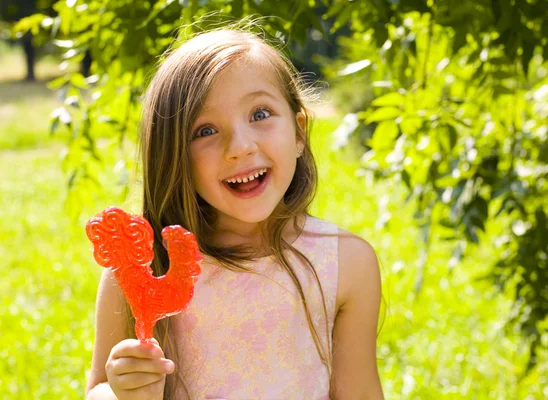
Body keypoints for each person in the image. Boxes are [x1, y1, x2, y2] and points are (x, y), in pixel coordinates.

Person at [85, 26, 384, 400]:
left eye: (260, 113)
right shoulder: (141, 270)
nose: (239, 147)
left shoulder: (346, 263)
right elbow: (97, 389)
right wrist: (122, 392)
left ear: (299, 132)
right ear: (174, 155)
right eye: (205, 130)